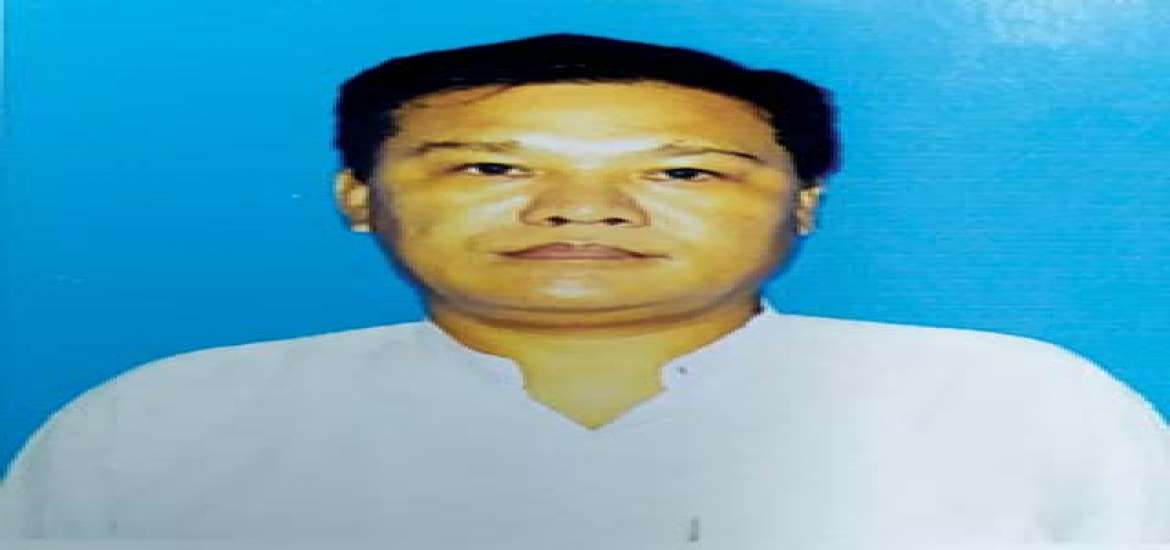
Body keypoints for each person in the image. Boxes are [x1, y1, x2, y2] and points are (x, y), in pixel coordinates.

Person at [2, 33, 1167, 548]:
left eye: (682, 173)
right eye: (491, 169)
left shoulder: (1019, 402)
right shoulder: (162, 422)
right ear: (359, 195)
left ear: (805, 202)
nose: (581, 211)